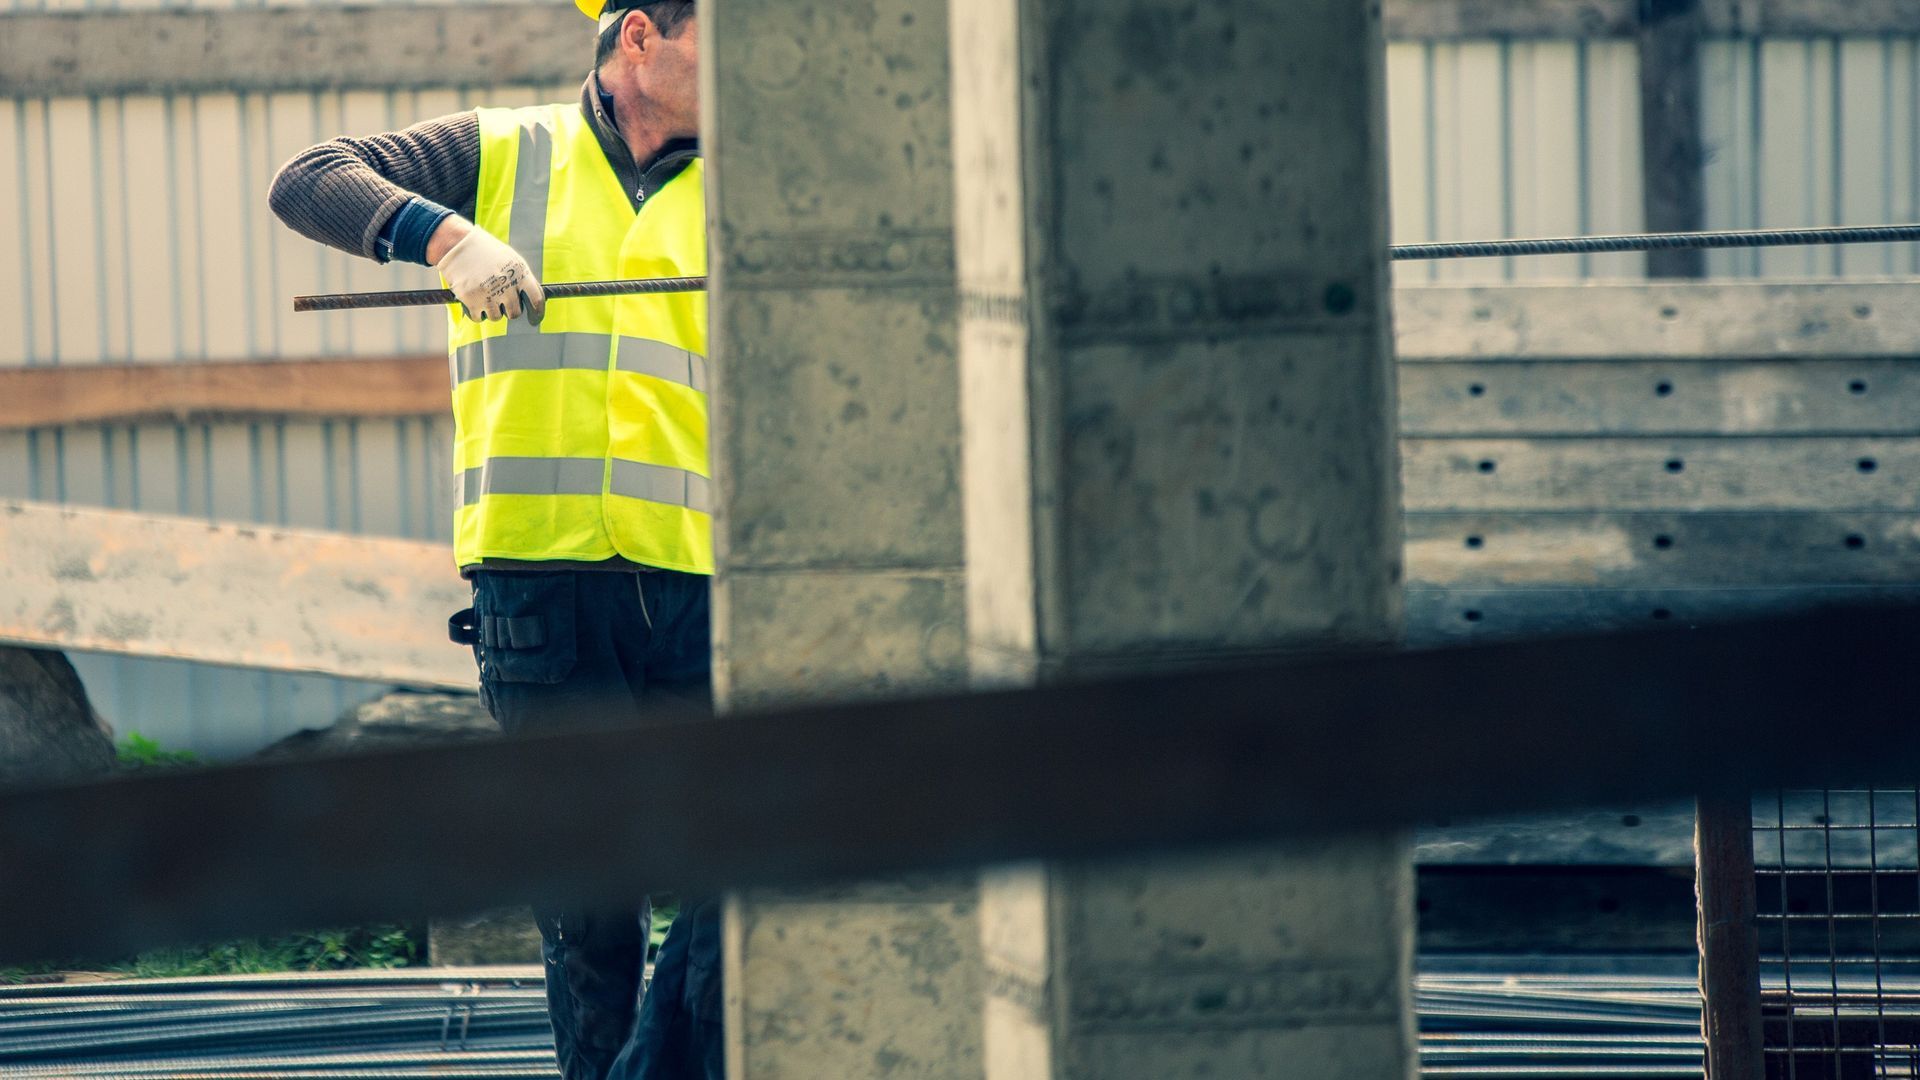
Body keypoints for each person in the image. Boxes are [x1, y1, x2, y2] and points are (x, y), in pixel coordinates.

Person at [266, 2, 720, 1077]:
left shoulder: (760, 176)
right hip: (541, 594)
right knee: (589, 907)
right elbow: (307, 176)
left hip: (704, 583)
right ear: (642, 41)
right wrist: (448, 236)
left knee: (733, 867)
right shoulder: (505, 148)